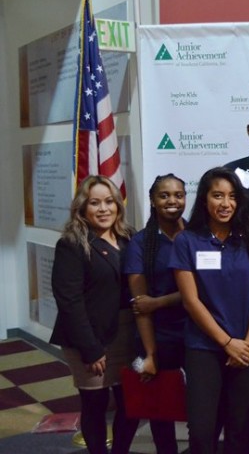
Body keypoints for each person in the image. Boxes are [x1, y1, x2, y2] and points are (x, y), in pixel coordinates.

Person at [169, 167, 249, 454]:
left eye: (231, 197)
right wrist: (227, 343)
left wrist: (248, 343)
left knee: (241, 428)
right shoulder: (187, 241)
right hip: (204, 348)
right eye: (217, 196)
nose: (225, 203)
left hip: (248, 348)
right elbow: (191, 301)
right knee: (202, 430)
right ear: (205, 200)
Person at [50, 175, 138, 454]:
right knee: (95, 404)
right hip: (87, 336)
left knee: (131, 403)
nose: (103, 209)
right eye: (95, 203)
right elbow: (69, 300)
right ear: (82, 209)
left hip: (126, 335)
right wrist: (90, 348)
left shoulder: (129, 237)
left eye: (109, 202)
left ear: (118, 205)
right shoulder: (72, 243)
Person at [124, 174, 188, 454]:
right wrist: (150, 354)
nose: (172, 201)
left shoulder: (197, 235)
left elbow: (202, 293)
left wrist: (159, 302)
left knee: (200, 407)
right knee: (158, 412)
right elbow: (141, 305)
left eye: (178, 195)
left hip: (196, 335)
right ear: (152, 200)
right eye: (164, 195)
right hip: (156, 338)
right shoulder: (141, 243)